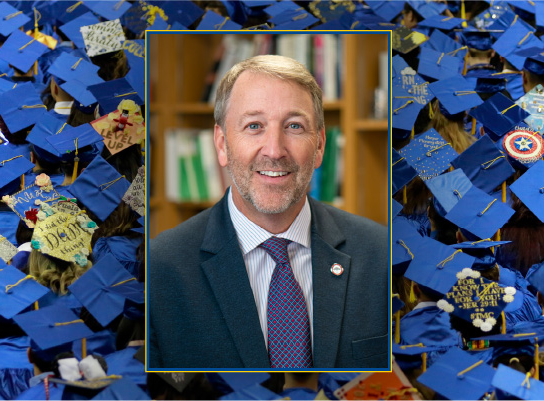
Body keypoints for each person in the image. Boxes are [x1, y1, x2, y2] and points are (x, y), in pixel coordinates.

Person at [148, 55, 388, 369]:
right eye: (254, 126)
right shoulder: (159, 268)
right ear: (222, 145)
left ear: (319, 146)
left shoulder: (382, 254)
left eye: (294, 126)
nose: (274, 150)